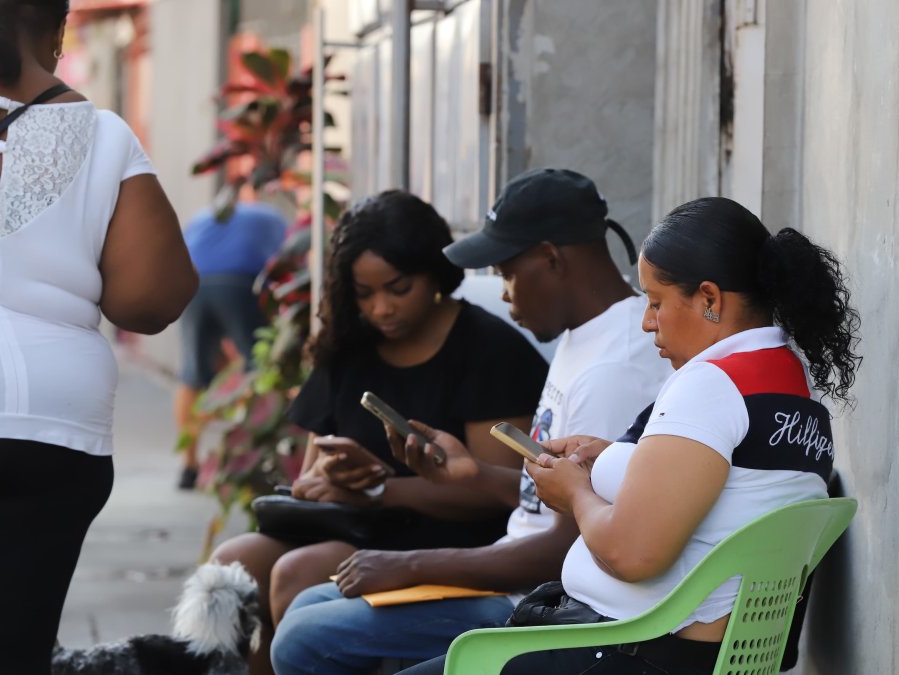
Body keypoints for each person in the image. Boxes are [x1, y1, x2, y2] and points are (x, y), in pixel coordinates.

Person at [398, 196, 862, 675]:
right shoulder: (790, 383)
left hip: (631, 653)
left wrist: (575, 494)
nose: (647, 321)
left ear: (709, 299)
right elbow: (715, 485)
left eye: (656, 302)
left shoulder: (713, 385)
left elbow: (633, 555)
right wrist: (608, 457)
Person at [271, 168, 671, 675]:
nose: (503, 294)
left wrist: (410, 565)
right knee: (307, 605)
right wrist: (474, 475)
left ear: (551, 259)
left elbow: (571, 547)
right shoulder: (585, 335)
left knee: (304, 638)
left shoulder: (613, 369)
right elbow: (554, 499)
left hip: (545, 604)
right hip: (519, 581)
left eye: (506, 273)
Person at [211, 190, 548, 675]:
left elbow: (498, 490)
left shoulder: (487, 350)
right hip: (353, 524)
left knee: (297, 572)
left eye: (398, 288)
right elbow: (308, 478)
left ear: (433, 273)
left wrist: (380, 491)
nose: (381, 309)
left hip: (451, 538)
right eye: (364, 294)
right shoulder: (350, 347)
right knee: (234, 562)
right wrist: (330, 479)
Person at [0, 1, 198, 673]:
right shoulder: (105, 135)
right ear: (58, 31)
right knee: (7, 651)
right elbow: (150, 300)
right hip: (52, 426)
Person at [175, 198, 288, 489]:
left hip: (191, 282)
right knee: (257, 368)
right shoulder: (273, 216)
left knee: (192, 375)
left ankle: (189, 466)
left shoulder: (206, 214)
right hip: (240, 282)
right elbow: (285, 264)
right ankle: (247, 461)